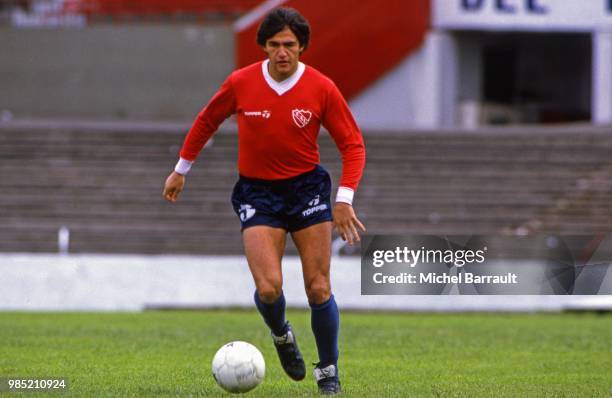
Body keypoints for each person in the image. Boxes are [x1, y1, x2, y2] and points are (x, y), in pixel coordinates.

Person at [162, 7, 365, 395]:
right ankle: (281, 334)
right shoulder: (241, 82)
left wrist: (344, 199)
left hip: (307, 191)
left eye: (289, 44)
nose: (282, 52)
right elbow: (207, 120)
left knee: (318, 288)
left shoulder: (321, 87)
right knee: (269, 288)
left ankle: (329, 372)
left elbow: (352, 145)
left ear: (302, 47)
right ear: (264, 47)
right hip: (258, 193)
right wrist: (180, 169)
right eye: (274, 44)